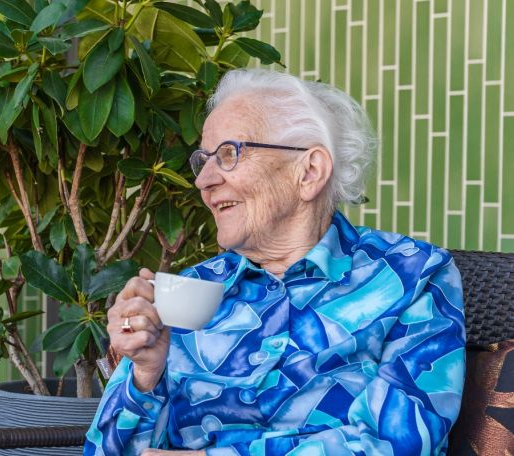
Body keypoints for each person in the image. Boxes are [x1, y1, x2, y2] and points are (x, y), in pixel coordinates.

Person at [86, 68, 465, 455]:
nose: (203, 181)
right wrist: (145, 375)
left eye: (229, 154)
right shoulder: (190, 290)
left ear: (309, 172)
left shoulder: (413, 276)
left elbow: (399, 441)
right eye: (203, 160)